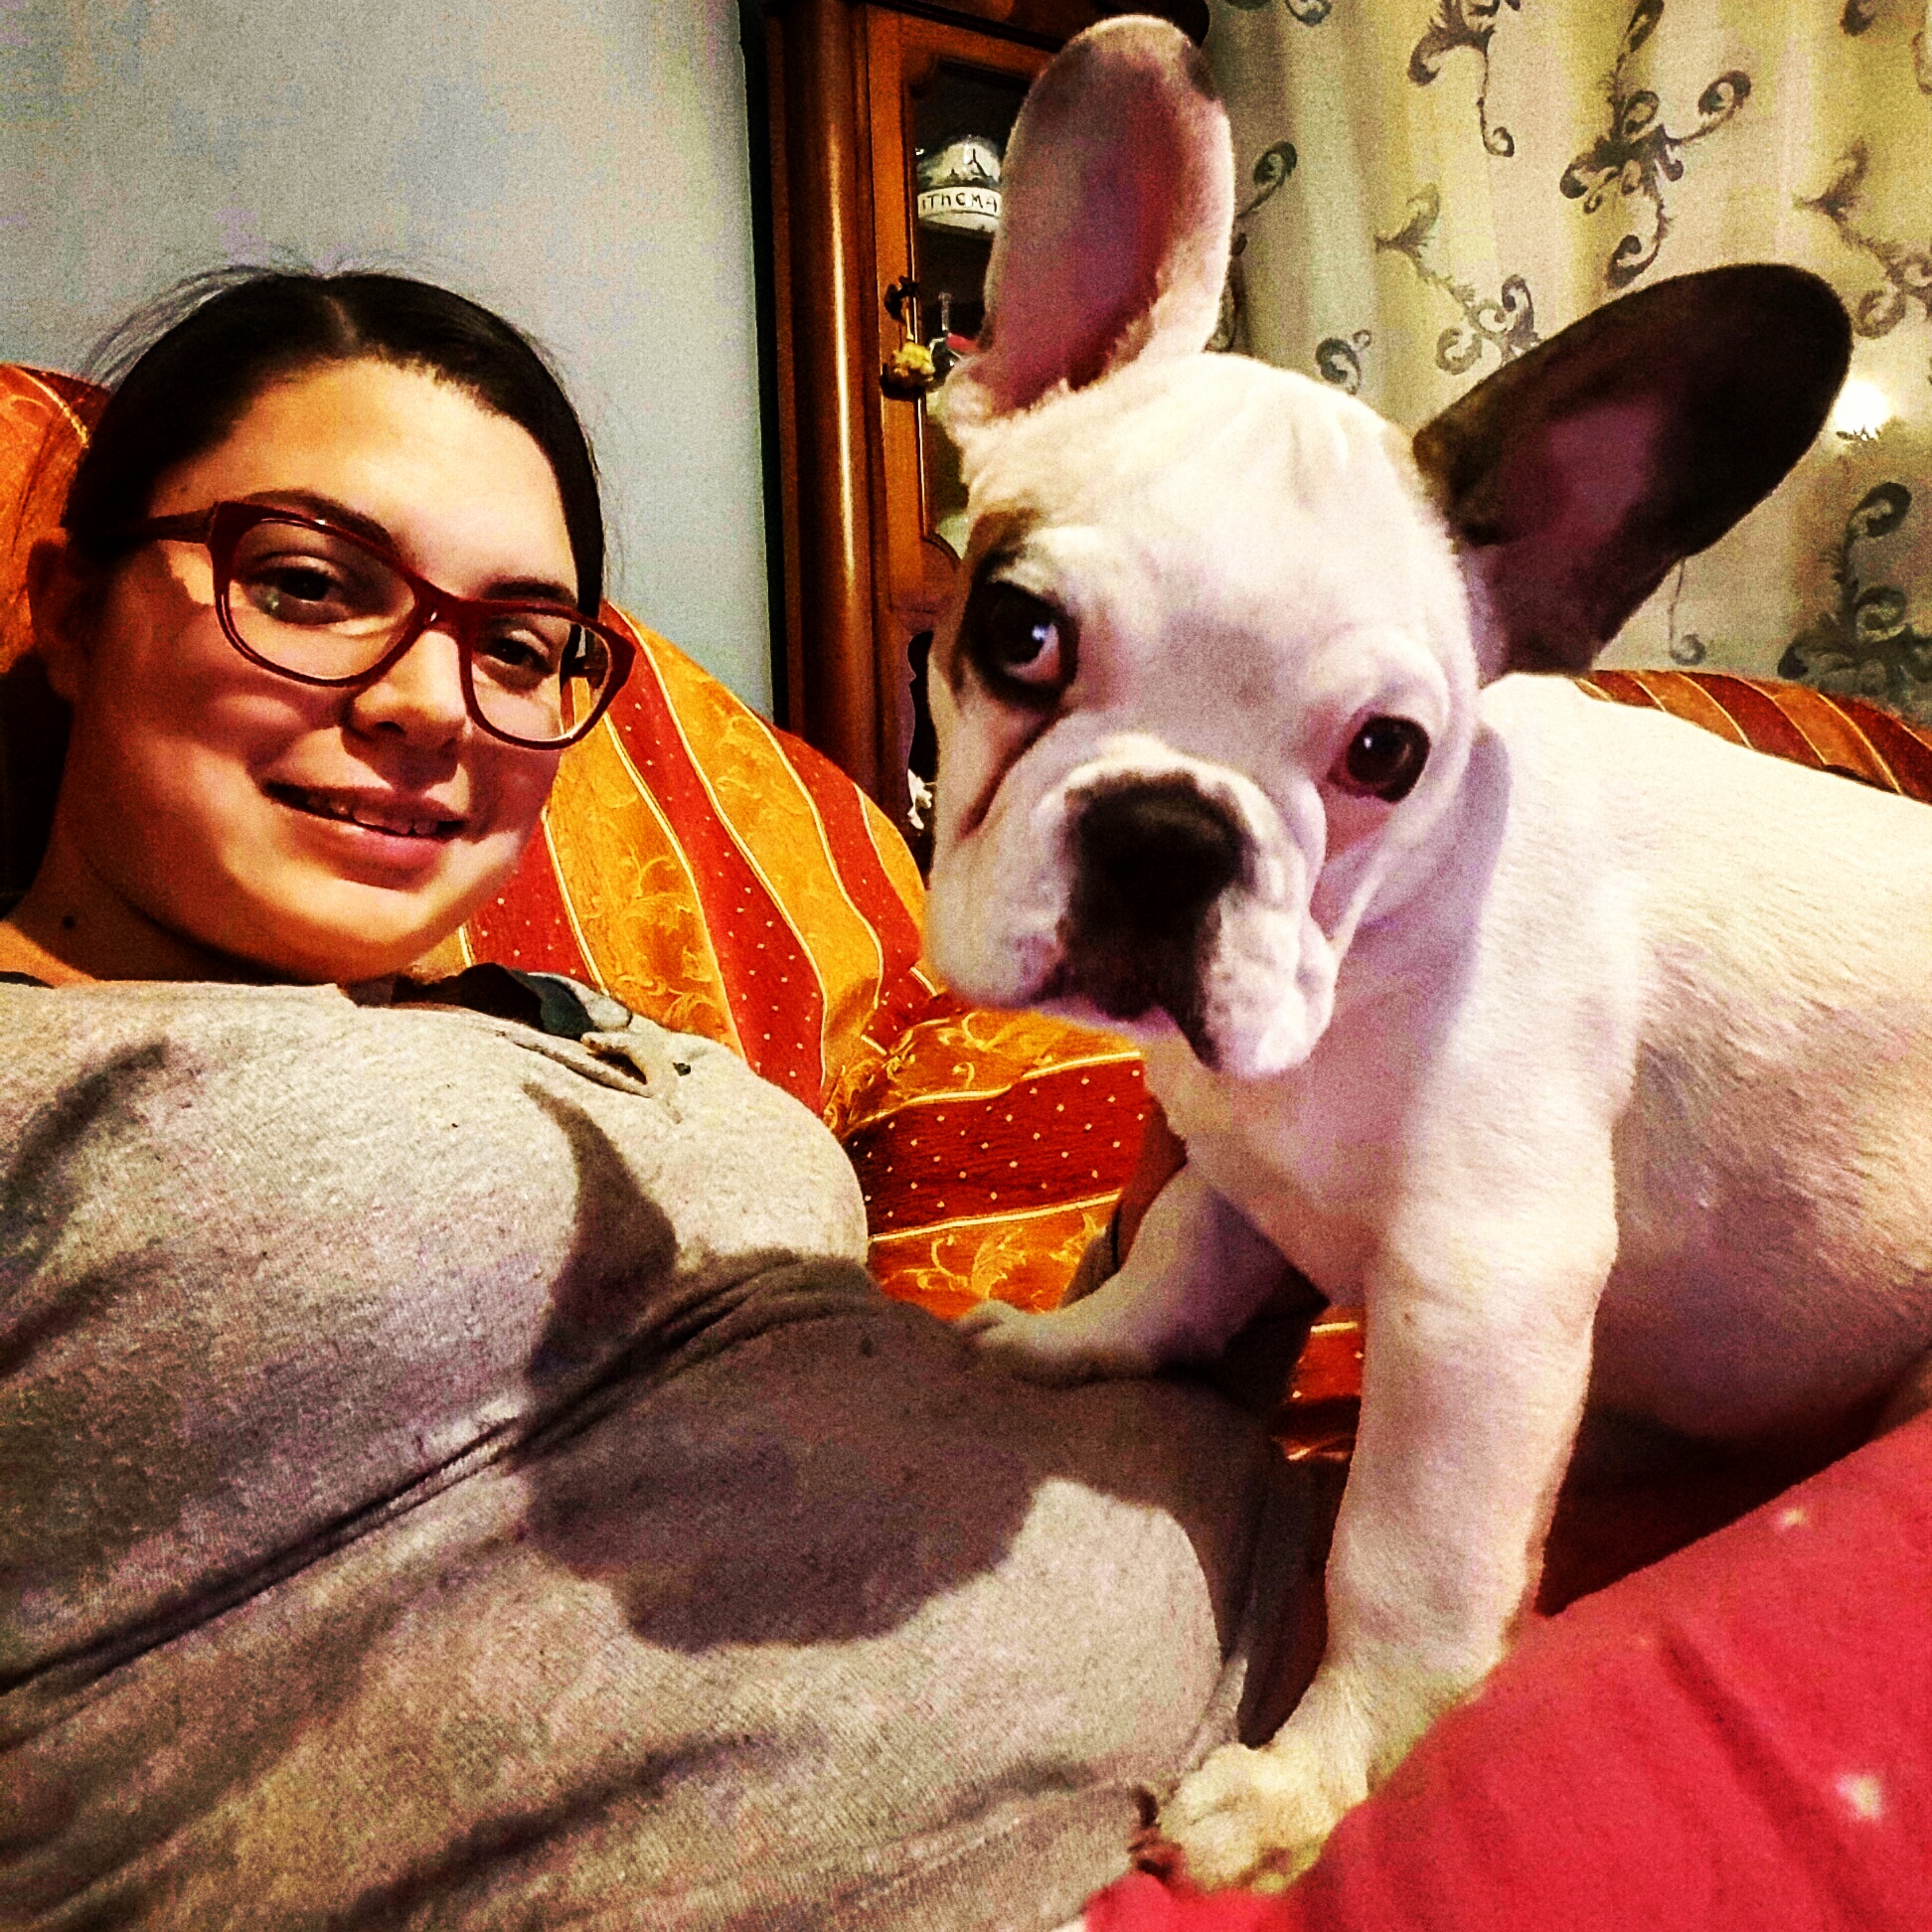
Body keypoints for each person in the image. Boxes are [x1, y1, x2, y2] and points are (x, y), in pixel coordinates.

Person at [0, 270, 1309, 1932]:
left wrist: (1222, 1179)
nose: (426, 705)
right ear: (69, 610)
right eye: (310, 586)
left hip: (1317, 1708)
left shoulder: (590, 1030)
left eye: (516, 646)